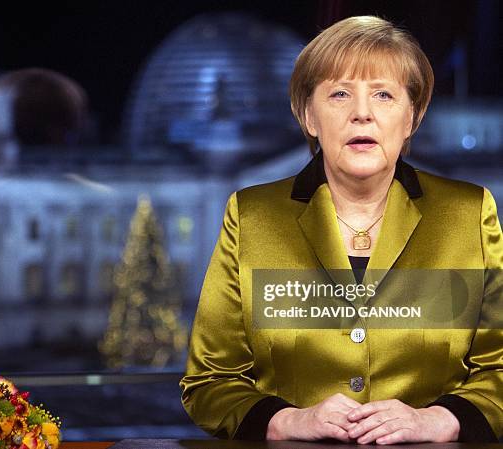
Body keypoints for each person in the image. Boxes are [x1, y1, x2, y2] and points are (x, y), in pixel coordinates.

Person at [179, 15, 502, 444]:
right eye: (340, 94)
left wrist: (440, 420)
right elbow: (210, 382)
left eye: (384, 95)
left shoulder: (468, 213)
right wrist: (287, 421)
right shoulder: (252, 215)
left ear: (411, 118)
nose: (362, 114)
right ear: (309, 116)